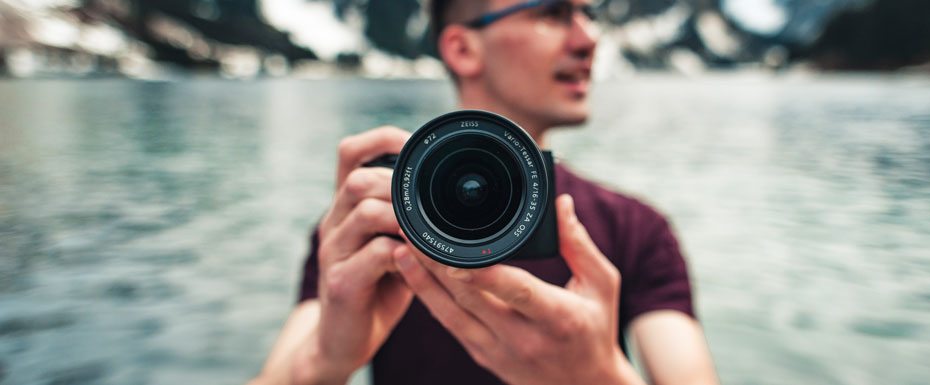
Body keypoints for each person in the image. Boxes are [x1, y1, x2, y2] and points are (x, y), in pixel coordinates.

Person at [249, 0, 719, 384]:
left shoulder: (635, 228)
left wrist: (600, 376)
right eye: (551, 13)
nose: (587, 38)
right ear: (461, 47)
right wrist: (324, 362)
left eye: (589, 14)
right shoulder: (369, 225)